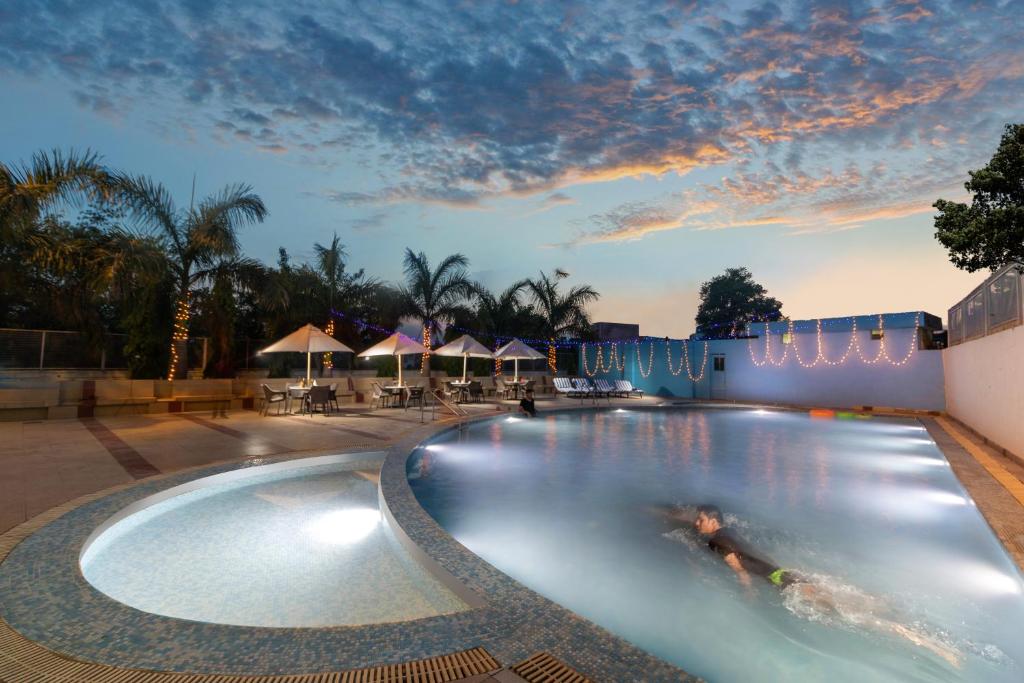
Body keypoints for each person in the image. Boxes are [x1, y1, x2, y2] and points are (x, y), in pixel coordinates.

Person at [657, 504, 961, 667]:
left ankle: (932, 646)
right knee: (854, 602)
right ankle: (896, 611)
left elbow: (739, 568)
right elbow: (758, 557)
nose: (696, 524)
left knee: (854, 616)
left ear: (712, 521)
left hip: (787, 585)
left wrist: (747, 593)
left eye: (699, 520)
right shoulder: (733, 531)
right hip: (789, 574)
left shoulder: (715, 542)